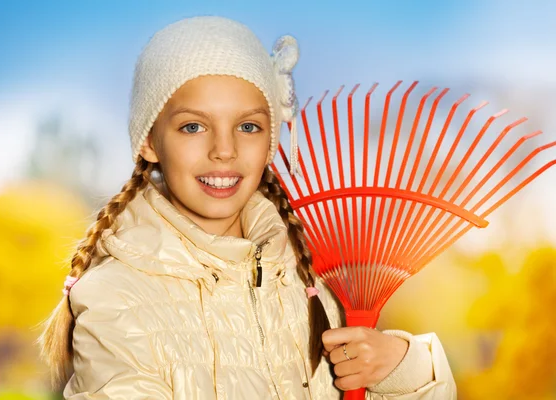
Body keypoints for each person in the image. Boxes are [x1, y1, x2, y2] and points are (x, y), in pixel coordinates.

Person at [39, 15, 457, 399]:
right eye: (193, 126)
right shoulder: (116, 301)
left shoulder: (311, 277)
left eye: (248, 126)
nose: (225, 150)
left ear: (270, 141)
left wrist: (401, 368)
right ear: (149, 142)